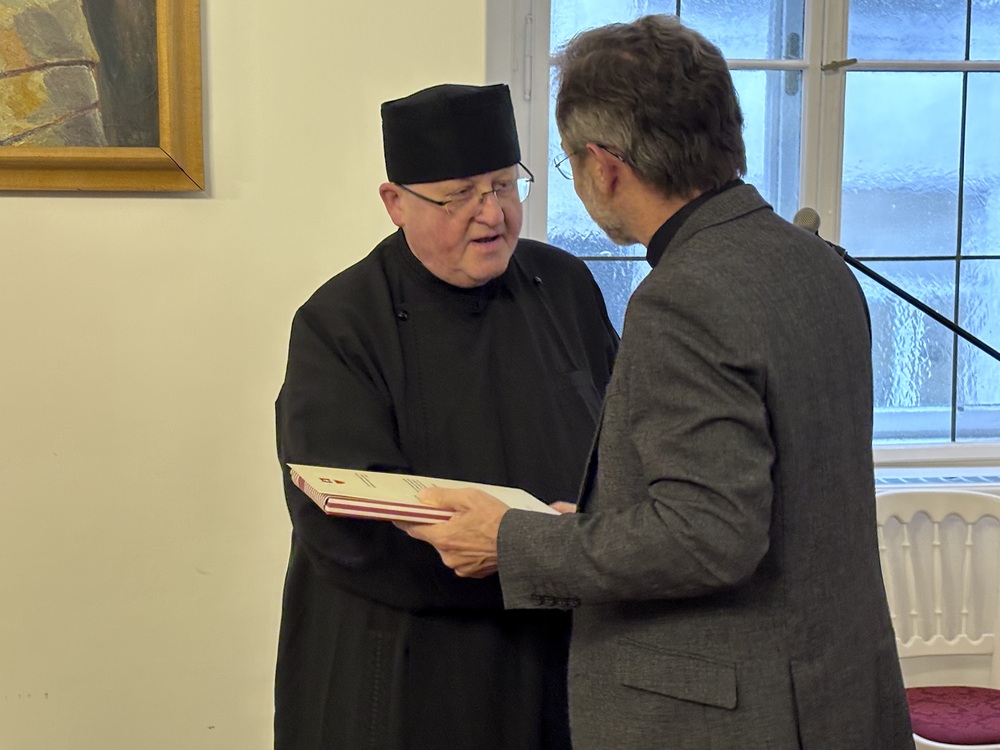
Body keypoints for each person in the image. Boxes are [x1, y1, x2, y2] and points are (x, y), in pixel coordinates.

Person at [399, 16, 915, 750]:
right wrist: (591, 522)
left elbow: (710, 535)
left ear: (605, 166)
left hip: (728, 719)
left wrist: (514, 542)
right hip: (839, 697)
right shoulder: (816, 264)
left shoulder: (682, 297)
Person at [273, 82, 618, 750]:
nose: (492, 214)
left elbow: (622, 444)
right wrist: (525, 559)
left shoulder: (565, 285)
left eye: (504, 185)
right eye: (459, 195)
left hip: (562, 645)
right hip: (411, 659)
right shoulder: (339, 323)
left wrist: (575, 551)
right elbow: (344, 524)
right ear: (395, 203)